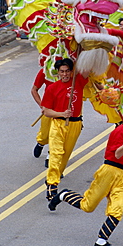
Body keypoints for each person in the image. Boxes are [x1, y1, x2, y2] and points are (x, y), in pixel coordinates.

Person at [48, 101, 123, 246]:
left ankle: (101, 240)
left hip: (121, 175)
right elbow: (117, 154)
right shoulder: (119, 132)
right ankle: (64, 195)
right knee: (88, 206)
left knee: (118, 208)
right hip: (108, 171)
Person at [41, 58, 89, 200]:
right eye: (62, 71)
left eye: (67, 71)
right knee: (56, 153)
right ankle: (52, 185)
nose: (65, 74)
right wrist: (61, 114)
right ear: (58, 73)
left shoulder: (78, 81)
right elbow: (46, 111)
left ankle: (54, 177)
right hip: (58, 123)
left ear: (71, 71)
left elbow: (87, 69)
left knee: (65, 156)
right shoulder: (52, 88)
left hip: (75, 124)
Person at [31, 68, 55, 166]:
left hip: (64, 111)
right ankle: (41, 142)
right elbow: (34, 90)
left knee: (57, 136)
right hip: (49, 109)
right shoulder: (45, 70)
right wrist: (42, 105)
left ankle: (52, 156)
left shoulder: (72, 73)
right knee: (45, 134)